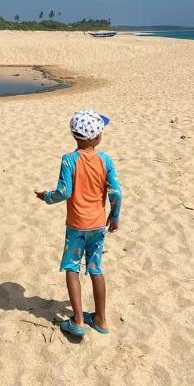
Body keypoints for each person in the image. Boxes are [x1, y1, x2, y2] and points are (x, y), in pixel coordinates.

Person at [34, 110, 122, 337]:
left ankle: (79, 320)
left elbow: (64, 192)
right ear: (97, 137)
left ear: (75, 135)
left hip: (76, 226)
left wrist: (46, 197)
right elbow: (116, 193)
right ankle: (101, 320)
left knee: (72, 268)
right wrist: (114, 216)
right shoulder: (106, 160)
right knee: (96, 268)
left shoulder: (69, 160)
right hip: (97, 225)